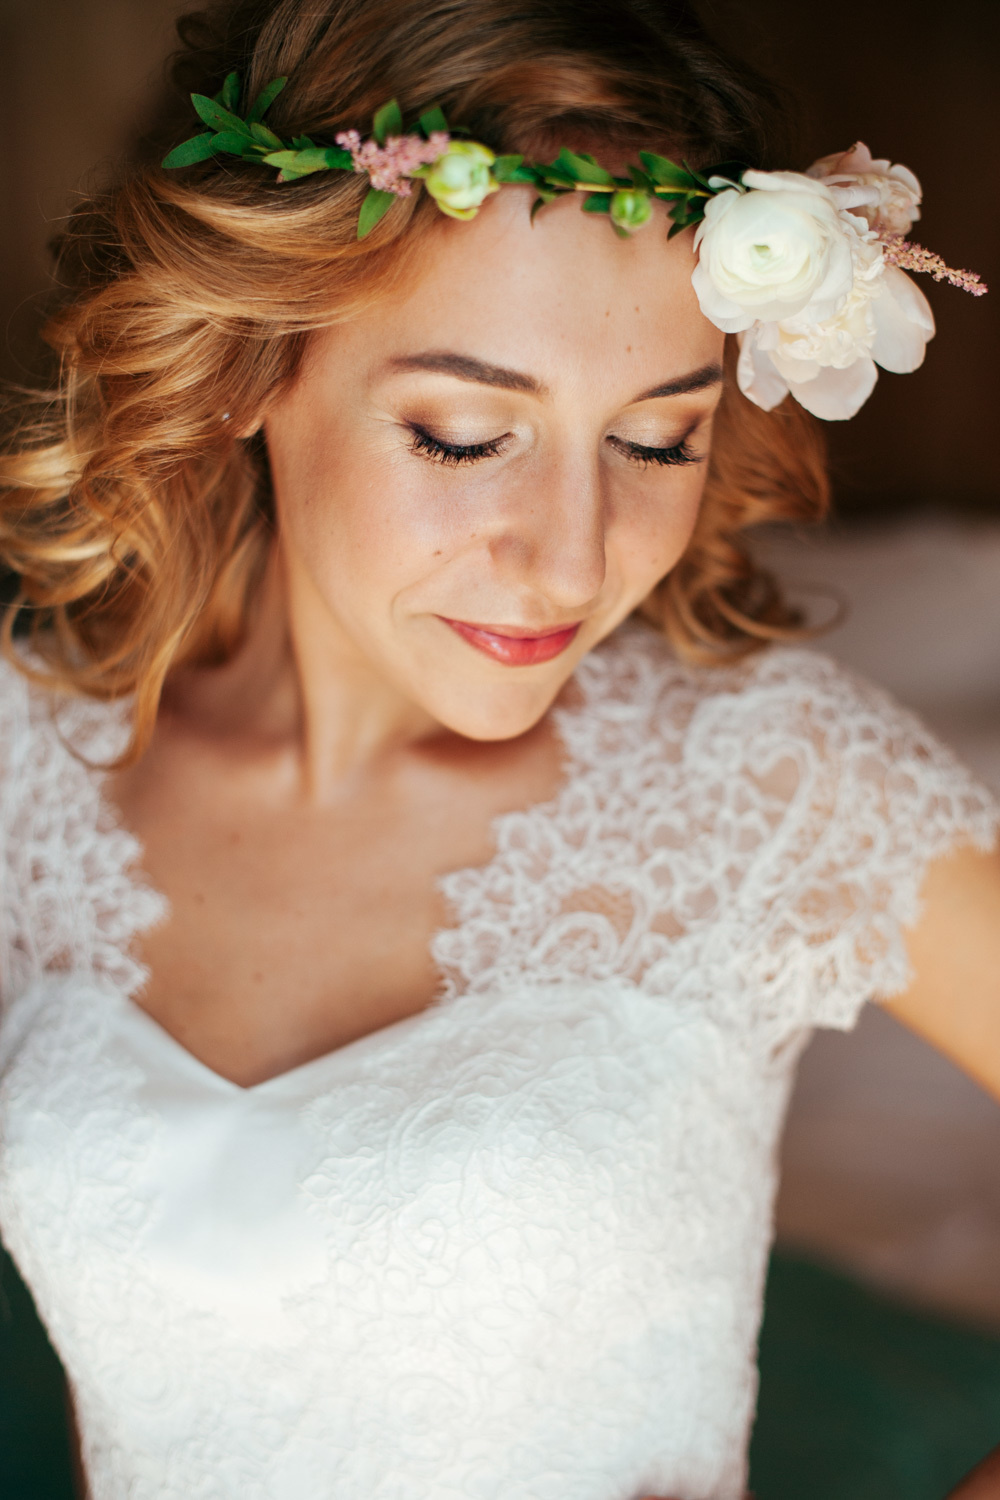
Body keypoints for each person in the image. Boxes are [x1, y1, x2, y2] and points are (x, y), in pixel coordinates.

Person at [0, 0, 997, 1496]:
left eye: (659, 438)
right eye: (467, 433)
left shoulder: (768, 780)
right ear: (253, 369)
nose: (573, 561)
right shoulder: (33, 764)